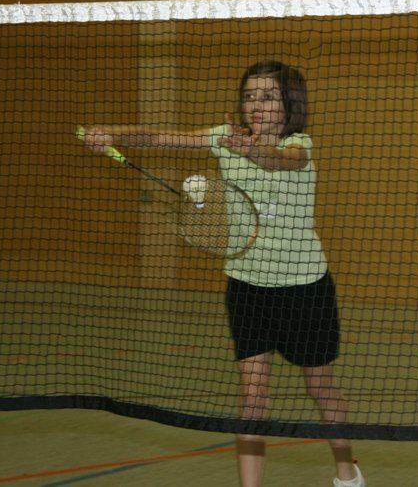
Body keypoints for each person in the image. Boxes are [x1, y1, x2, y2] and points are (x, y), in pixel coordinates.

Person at [83, 60, 364, 487]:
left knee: (320, 386)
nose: (256, 105)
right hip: (246, 286)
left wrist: (249, 150)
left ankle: (347, 471)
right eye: (249, 96)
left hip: (304, 288)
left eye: (268, 97)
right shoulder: (222, 138)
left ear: (291, 105)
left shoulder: (299, 146)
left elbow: (280, 161)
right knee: (252, 397)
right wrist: (113, 133)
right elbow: (160, 137)